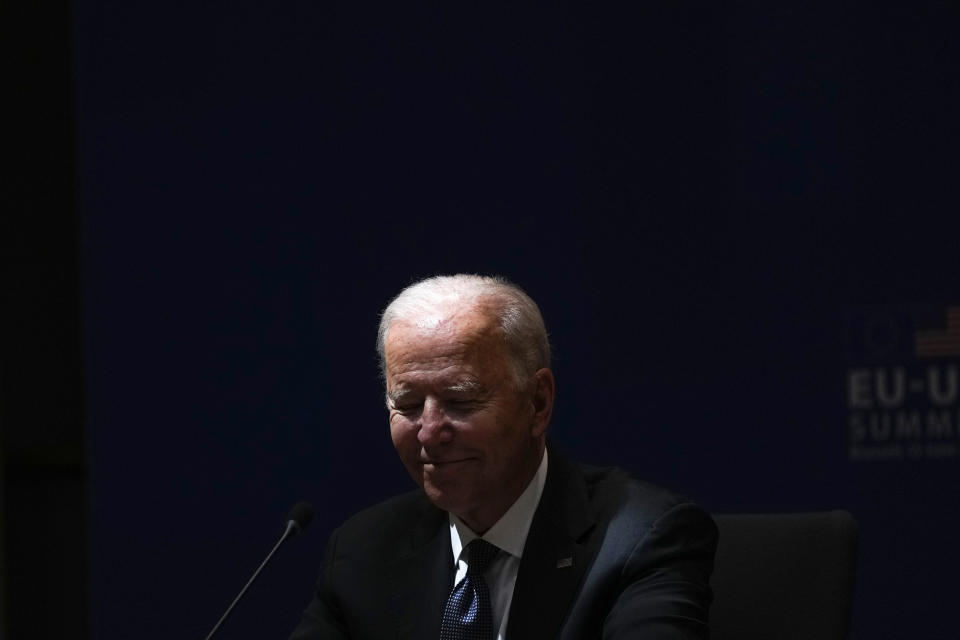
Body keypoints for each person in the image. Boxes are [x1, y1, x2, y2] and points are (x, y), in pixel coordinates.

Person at [290, 274, 717, 640]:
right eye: (408, 404)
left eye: (459, 400)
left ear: (537, 403)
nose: (430, 432)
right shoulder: (361, 551)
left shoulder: (642, 540)